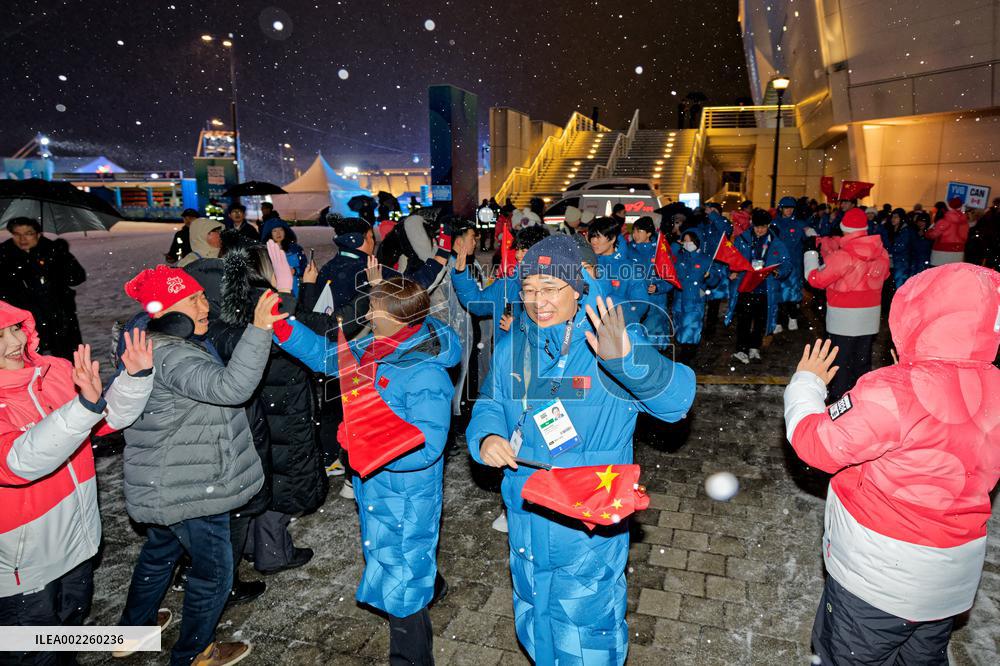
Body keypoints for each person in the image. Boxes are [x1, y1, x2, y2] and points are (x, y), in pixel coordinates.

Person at [466, 234, 696, 665]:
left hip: (586, 523)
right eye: (530, 288)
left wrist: (627, 359)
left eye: (551, 288)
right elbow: (491, 401)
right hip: (526, 514)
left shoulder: (609, 340)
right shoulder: (516, 344)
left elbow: (677, 403)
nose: (538, 300)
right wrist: (487, 437)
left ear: (578, 287)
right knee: (535, 621)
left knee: (589, 635)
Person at [783, 263, 1000, 665]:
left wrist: (805, 383)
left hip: (880, 578)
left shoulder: (893, 390)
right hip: (949, 581)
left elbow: (817, 444)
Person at [274, 277, 460, 666]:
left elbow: (428, 445)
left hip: (406, 494)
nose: (368, 313)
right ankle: (434, 586)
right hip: (379, 489)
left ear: (398, 316)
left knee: (402, 590)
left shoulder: (425, 373)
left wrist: (366, 447)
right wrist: (283, 328)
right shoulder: (378, 347)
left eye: (375, 307)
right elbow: (331, 358)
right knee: (406, 562)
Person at [117, 265, 284, 666]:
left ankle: (131, 632)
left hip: (167, 480)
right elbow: (231, 388)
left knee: (160, 551)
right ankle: (194, 653)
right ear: (166, 311)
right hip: (192, 485)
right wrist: (259, 329)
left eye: (202, 296)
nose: (204, 304)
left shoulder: (153, 343)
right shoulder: (173, 354)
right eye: (193, 299)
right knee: (214, 574)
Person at [0, 303, 153, 666]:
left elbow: (103, 420)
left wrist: (133, 378)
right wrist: (82, 408)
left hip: (77, 544)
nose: (14, 342)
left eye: (16, 328)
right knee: (32, 653)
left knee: (68, 630)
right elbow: (17, 463)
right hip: (24, 566)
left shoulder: (56, 372)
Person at [214, 244, 327, 579]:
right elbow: (313, 329)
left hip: (257, 407)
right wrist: (292, 291)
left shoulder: (231, 302)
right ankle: (273, 552)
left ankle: (250, 544)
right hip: (284, 405)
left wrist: (296, 291)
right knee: (284, 478)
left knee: (262, 475)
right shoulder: (267, 306)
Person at [803, 207, 889, 401]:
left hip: (844, 318)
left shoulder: (843, 257)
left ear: (844, 228)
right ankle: (858, 403)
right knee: (861, 363)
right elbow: (883, 274)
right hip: (870, 317)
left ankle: (837, 404)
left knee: (840, 365)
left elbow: (815, 279)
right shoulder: (881, 252)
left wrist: (810, 254)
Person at [0, 218, 86, 361]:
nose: (22, 239)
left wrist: (60, 262)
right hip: (25, 321)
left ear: (38, 234)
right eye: (17, 234)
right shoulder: (4, 256)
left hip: (59, 318)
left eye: (28, 233)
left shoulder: (53, 250)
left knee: (68, 361)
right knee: (29, 362)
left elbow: (77, 277)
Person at [318, 217, 448, 310]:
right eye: (370, 237)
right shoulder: (369, 269)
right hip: (360, 342)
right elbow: (413, 289)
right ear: (356, 240)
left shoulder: (328, 267)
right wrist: (442, 254)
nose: (374, 242)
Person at [453, 225, 551, 343]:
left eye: (524, 250)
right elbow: (476, 303)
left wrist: (517, 326)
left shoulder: (552, 287)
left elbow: (552, 332)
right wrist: (461, 275)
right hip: (503, 357)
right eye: (517, 249)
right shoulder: (506, 284)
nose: (518, 255)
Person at [726, 210, 791, 364]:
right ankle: (741, 349)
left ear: (768, 226)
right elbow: (732, 259)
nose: (760, 230)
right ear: (752, 225)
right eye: (757, 227)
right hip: (746, 286)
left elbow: (787, 263)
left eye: (763, 227)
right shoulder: (742, 240)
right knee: (744, 320)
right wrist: (733, 271)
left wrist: (777, 272)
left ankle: (754, 347)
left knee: (760, 319)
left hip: (764, 288)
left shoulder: (776, 243)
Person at [668, 229, 724, 364]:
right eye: (685, 240)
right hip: (679, 301)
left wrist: (709, 277)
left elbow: (715, 280)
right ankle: (685, 355)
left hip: (695, 300)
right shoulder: (679, 258)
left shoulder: (706, 260)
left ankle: (687, 358)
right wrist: (676, 245)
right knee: (680, 329)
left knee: (690, 330)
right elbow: (668, 259)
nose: (688, 243)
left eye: (690, 241)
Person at [588, 217, 649, 325]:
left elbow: (640, 304)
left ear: (612, 239)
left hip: (619, 329)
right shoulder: (588, 264)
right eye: (592, 237)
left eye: (598, 237)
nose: (593, 241)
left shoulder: (629, 268)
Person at [772, 196, 812, 333]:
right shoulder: (774, 224)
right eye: (786, 208)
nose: (789, 211)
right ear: (781, 209)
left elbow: (810, 239)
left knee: (793, 293)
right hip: (778, 264)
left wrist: (811, 233)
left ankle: (792, 318)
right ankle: (777, 321)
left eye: (791, 208)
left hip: (794, 265)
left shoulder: (800, 224)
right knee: (778, 293)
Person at [260, 218, 307, 296]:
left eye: (281, 230)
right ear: (269, 233)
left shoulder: (296, 249)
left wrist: (295, 271)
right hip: (274, 290)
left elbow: (305, 268)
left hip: (295, 288)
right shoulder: (265, 252)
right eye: (274, 231)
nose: (278, 233)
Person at [879, 208, 916, 290]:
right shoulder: (889, 229)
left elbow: (900, 247)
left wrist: (887, 249)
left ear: (902, 218)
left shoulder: (906, 231)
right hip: (891, 261)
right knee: (890, 285)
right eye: (892, 217)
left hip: (901, 262)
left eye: (896, 217)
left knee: (899, 285)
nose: (893, 219)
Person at [925, 197, 969, 265]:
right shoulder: (965, 222)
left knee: (939, 273)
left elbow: (933, 235)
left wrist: (928, 231)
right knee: (952, 273)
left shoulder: (944, 221)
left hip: (942, 251)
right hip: (959, 251)